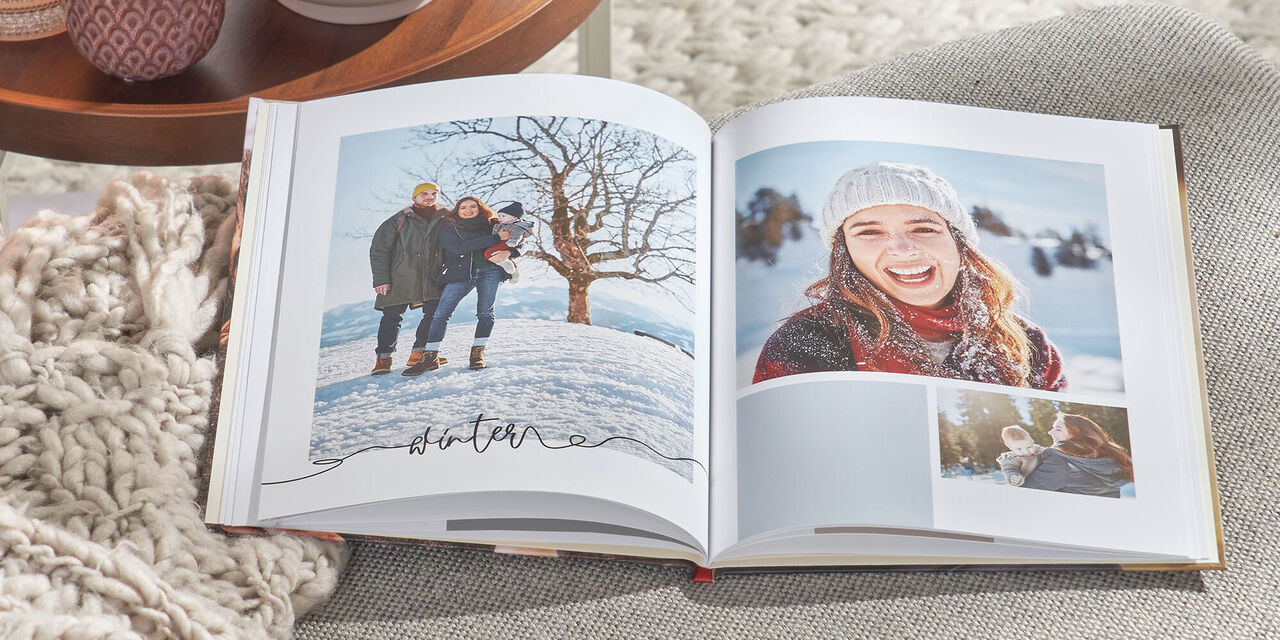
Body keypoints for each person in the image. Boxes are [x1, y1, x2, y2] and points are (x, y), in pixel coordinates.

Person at [753, 161, 1066, 390]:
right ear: (844, 253)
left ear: (959, 242)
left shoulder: (1028, 345)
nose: (903, 249)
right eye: (870, 232)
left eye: (924, 229)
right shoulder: (808, 342)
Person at [402, 196, 512, 375]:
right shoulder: (449, 226)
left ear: (480, 208)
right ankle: (430, 357)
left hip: (490, 271)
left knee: (485, 313)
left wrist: (509, 251)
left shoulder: (493, 224)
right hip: (459, 274)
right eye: (463, 208)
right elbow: (459, 247)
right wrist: (494, 239)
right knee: (440, 314)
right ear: (457, 210)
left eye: (472, 207)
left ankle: (477, 354)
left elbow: (520, 238)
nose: (468, 210)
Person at [368, 182, 450, 375]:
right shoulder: (399, 219)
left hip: (433, 276)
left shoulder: (446, 217)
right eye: (424, 194)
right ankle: (383, 358)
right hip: (400, 277)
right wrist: (381, 279)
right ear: (414, 197)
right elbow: (379, 251)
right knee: (391, 317)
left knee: (433, 315)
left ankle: (419, 354)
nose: (429, 197)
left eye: (434, 193)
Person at [1016, 413, 1134, 498]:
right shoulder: (1112, 460)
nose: (1050, 432)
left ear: (1076, 434)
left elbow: (1025, 493)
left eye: (1058, 429)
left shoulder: (1059, 460)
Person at [483, 202, 535, 282]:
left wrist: (513, 241)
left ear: (514, 217)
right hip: (502, 243)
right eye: (499, 216)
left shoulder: (515, 226)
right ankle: (514, 272)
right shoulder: (503, 224)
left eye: (503, 216)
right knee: (506, 258)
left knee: (489, 253)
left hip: (507, 243)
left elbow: (517, 234)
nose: (500, 218)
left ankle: (504, 262)